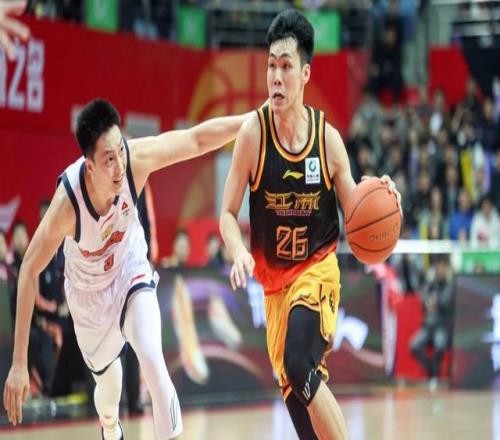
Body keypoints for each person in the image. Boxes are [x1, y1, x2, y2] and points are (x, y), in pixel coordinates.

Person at [3, 98, 251, 439]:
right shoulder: (67, 205)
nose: (120, 165)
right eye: (109, 159)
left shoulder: (135, 162)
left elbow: (195, 140)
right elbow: (28, 271)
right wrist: (19, 363)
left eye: (121, 150)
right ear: (89, 166)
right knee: (109, 390)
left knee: (152, 356)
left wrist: (252, 120)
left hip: (129, 268)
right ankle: (110, 427)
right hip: (89, 297)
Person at [220, 9, 401, 440]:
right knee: (302, 411)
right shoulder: (253, 134)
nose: (276, 77)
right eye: (271, 66)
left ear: (304, 74)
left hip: (317, 272)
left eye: (286, 66)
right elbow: (227, 213)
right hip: (274, 289)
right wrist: (239, 251)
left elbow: (357, 207)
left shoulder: (327, 139)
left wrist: (383, 193)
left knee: (299, 362)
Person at [410, 256, 453, 389]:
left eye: (442, 267)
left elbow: (445, 302)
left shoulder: (449, 286)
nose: (440, 270)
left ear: (446, 269)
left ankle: (434, 374)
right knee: (414, 345)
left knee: (440, 345)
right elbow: (423, 300)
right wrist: (429, 302)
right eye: (438, 267)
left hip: (441, 326)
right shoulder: (430, 285)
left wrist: (435, 302)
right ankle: (431, 369)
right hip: (427, 326)